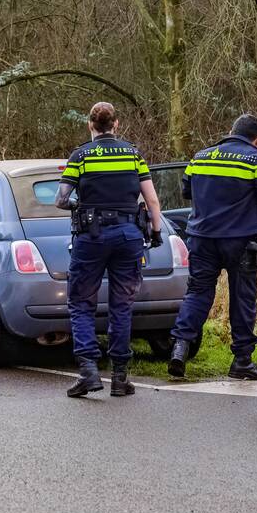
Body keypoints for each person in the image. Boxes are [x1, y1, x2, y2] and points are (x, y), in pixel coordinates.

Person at [55, 102, 164, 398]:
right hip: (129, 236)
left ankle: (89, 370)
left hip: (91, 236)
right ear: (116, 125)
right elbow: (152, 201)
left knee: (80, 302)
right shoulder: (133, 154)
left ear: (91, 126)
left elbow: (61, 199)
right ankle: (119, 377)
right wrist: (155, 233)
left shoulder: (81, 156)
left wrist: (83, 204)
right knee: (121, 305)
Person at [168, 114, 257, 380]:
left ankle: (180, 348)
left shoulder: (200, 157)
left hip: (202, 237)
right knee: (242, 297)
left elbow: (186, 191)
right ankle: (242, 360)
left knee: (197, 292)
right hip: (242, 240)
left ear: (231, 131)